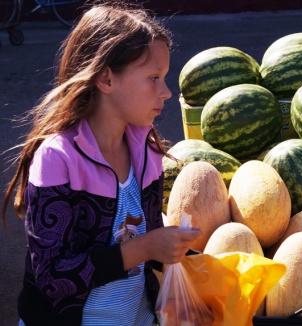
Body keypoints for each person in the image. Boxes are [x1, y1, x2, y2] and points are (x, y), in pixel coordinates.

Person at [1, 3, 202, 325]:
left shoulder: (147, 149)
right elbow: (52, 278)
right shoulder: (57, 158)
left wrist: (190, 254)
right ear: (106, 79)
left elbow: (150, 234)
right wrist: (146, 247)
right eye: (154, 77)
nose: (166, 92)